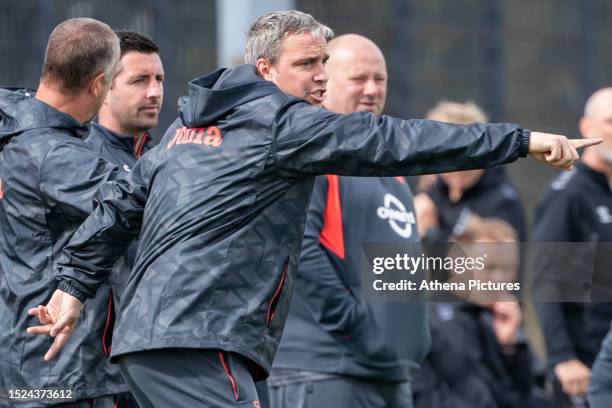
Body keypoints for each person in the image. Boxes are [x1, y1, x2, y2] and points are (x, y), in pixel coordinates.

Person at [28, 10, 597, 408]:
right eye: (313, 65)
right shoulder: (295, 130)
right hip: (292, 364)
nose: (325, 78)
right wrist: (518, 141)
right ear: (266, 71)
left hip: (345, 364)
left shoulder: (192, 131)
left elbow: (122, 205)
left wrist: (73, 287)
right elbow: (375, 173)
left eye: (376, 76)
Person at [268, 33, 426, 408]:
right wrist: (356, 325)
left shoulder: (392, 172)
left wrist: (412, 337)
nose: (371, 89)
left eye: (380, 79)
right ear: (325, 81)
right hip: (323, 372)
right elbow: (298, 248)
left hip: (388, 374)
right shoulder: (313, 157)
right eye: (359, 78)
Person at [0, 18, 130, 407]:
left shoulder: (14, 125)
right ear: (97, 84)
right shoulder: (55, 157)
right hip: (61, 370)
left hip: (22, 361)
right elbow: (137, 201)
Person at [412, 217, 553, 408]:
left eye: (508, 269)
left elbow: (525, 392)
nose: (500, 279)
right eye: (490, 268)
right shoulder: (437, 320)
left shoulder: (493, 317)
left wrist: (511, 349)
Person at [532, 87, 612, 407]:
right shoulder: (568, 194)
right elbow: (545, 277)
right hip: (585, 365)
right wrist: (562, 356)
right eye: (610, 121)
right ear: (585, 126)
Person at [86, 29, 163, 304]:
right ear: (103, 88)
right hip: (87, 341)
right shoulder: (80, 162)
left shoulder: (163, 160)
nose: (154, 92)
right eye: (140, 81)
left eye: (158, 79)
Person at [414, 101, 527, 243]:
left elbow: (486, 261)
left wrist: (430, 233)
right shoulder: (434, 192)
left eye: (468, 152)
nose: (459, 165)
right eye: (449, 154)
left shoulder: (502, 200)